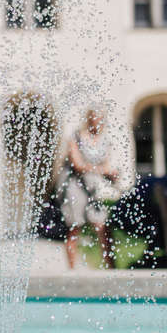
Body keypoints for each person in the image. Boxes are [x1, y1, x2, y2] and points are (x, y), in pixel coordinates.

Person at [57, 109, 118, 268]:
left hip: (92, 187)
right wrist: (103, 170)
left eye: (100, 119)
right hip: (74, 186)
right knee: (74, 226)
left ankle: (112, 269)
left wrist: (111, 175)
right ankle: (72, 270)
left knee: (102, 225)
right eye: (94, 118)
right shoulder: (76, 137)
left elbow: (106, 164)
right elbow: (78, 165)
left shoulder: (105, 141)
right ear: (89, 119)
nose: (97, 122)